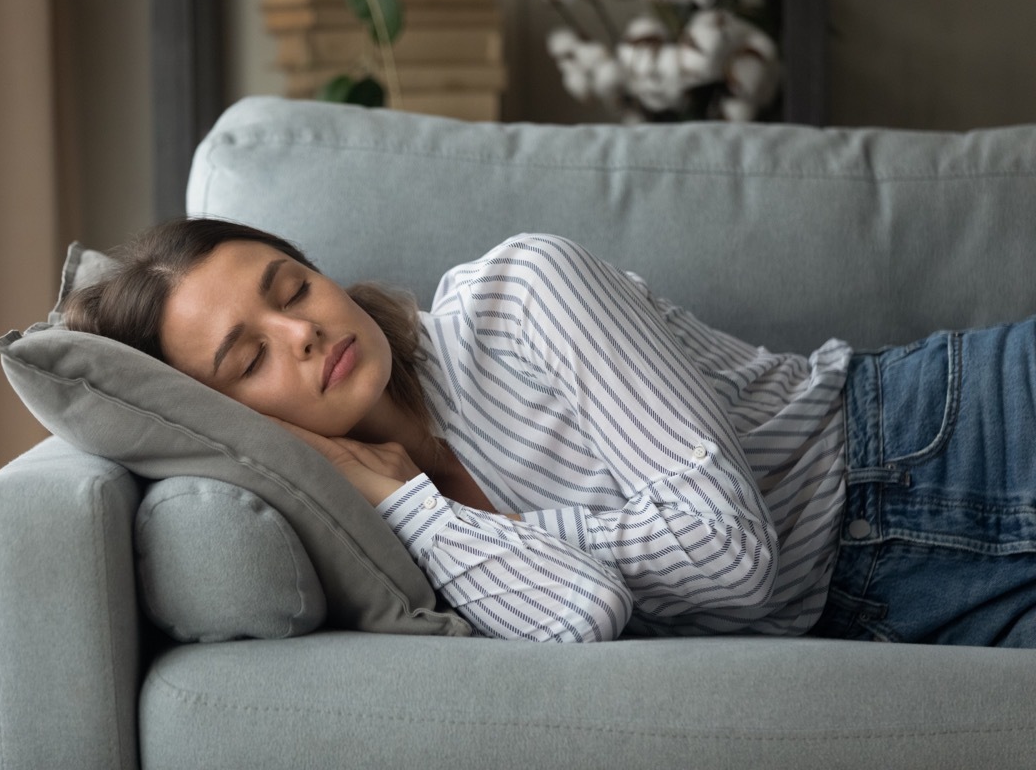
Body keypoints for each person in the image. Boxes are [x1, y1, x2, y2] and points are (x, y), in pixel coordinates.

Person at [64, 217, 1036, 647]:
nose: (304, 330)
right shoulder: (376, 522)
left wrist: (491, 528)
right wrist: (413, 505)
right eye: (248, 358)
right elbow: (581, 616)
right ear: (236, 415)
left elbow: (731, 553)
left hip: (948, 433)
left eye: (292, 287)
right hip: (890, 614)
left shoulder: (520, 291)